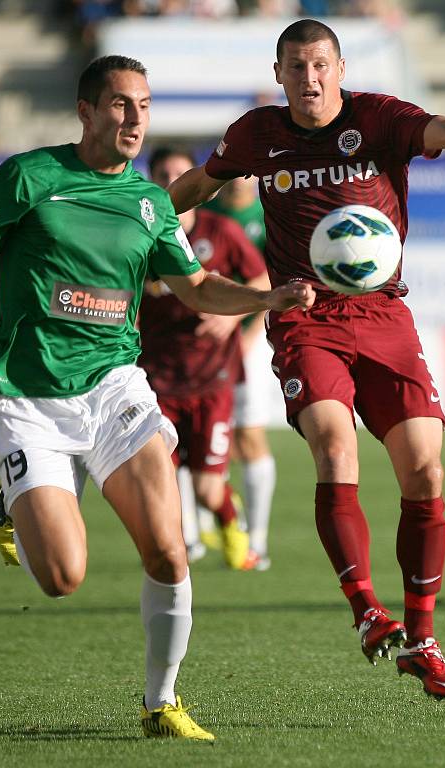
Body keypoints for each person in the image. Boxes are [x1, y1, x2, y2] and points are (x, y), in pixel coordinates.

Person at [0, 54, 315, 739]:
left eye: (146, 106)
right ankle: (16, 492)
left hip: (114, 389)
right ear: (87, 111)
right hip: (29, 398)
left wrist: (265, 297)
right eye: (122, 105)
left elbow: (194, 288)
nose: (135, 119)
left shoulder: (152, 204)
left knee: (168, 551)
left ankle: (162, 702)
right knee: (63, 577)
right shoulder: (29, 177)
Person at [168, 19, 445, 700]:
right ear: (278, 74)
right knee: (336, 450)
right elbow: (195, 187)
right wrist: (138, 216)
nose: (309, 79)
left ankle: (422, 638)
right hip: (306, 316)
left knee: (425, 470)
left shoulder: (379, 118)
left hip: (385, 315)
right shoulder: (257, 134)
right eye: (296, 67)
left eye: (320, 66)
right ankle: (367, 608)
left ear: (339, 67)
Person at [139, 146, 268, 570]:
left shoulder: (221, 230)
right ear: (152, 180)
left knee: (209, 490)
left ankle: (232, 524)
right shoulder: (139, 236)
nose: (172, 181)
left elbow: (260, 278)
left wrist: (234, 319)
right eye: (164, 174)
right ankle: (181, 549)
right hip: (157, 381)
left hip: (212, 379)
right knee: (162, 480)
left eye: (181, 172)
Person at [204, 176, 278, 571]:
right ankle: (196, 531)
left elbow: (272, 282)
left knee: (249, 435)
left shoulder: (267, 217)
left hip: (246, 340)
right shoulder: (205, 214)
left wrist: (250, 331)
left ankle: (258, 538)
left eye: (248, 170)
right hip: (200, 344)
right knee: (195, 435)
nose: (240, 177)